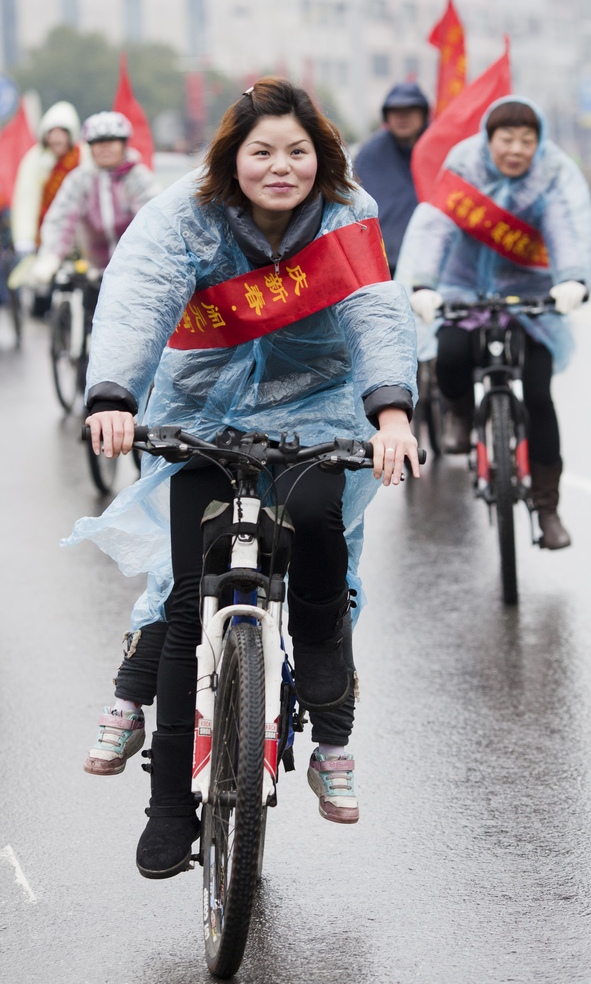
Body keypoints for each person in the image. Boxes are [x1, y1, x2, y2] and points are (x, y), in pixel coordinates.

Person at [75, 77, 419, 879]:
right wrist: (115, 396)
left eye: (296, 151)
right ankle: (167, 808)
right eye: (260, 151)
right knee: (192, 595)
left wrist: (391, 415)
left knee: (322, 536)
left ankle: (330, 733)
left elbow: (374, 312)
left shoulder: (348, 215)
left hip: (321, 411)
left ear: (320, 157)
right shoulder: (180, 217)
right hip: (201, 411)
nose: (280, 166)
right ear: (230, 157)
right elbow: (137, 300)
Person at [396, 96, 591, 549]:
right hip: (462, 286)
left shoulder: (551, 176)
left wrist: (572, 280)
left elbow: (566, 227)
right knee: (450, 355)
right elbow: (437, 224)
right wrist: (423, 285)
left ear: (539, 144)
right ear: (489, 139)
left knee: (540, 396)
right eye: (507, 138)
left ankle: (547, 509)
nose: (517, 149)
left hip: (531, 293)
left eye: (528, 139)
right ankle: (461, 416)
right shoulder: (465, 166)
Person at [31, 111, 159, 297]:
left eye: (112, 141)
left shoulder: (138, 177)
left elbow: (154, 218)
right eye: (98, 143)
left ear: (123, 144)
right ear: (89, 147)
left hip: (134, 267)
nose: (105, 148)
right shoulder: (80, 179)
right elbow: (61, 217)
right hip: (92, 267)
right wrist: (51, 256)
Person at [11, 101, 86, 317]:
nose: (56, 138)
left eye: (61, 132)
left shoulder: (84, 156)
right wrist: (24, 237)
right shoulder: (35, 160)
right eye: (52, 132)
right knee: (43, 281)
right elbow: (26, 199)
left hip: (79, 230)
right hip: (45, 230)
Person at [353, 82, 429, 274]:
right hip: (383, 264)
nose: (402, 117)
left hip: (431, 262)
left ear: (423, 114)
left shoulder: (437, 148)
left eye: (410, 110)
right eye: (395, 111)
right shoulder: (371, 153)